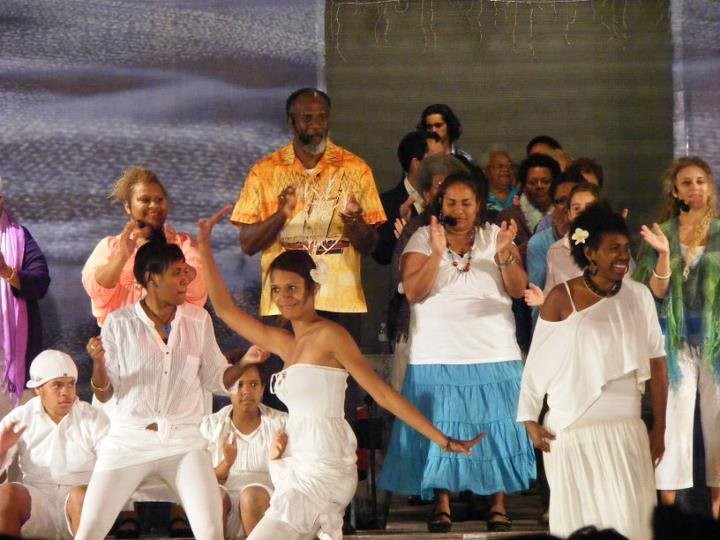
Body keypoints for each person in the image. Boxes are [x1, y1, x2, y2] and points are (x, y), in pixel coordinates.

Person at [196, 206, 482, 540]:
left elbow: (382, 394)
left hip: (325, 462)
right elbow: (227, 311)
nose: (283, 297)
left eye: (292, 288)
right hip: (296, 461)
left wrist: (442, 440)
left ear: (313, 289)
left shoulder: (331, 335)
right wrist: (205, 246)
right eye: (276, 289)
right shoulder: (286, 343)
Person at [379, 173, 536, 533]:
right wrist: (437, 252)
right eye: (451, 203)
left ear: (479, 205)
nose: (459, 210)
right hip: (437, 354)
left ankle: (497, 504)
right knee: (441, 426)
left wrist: (505, 255)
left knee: (496, 427)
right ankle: (443, 503)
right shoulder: (422, 237)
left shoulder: (494, 237)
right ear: (440, 205)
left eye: (466, 203)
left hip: (494, 352)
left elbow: (516, 290)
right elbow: (414, 292)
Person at [74, 238, 250, 540]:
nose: (186, 279)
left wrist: (247, 362)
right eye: (177, 273)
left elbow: (215, 378)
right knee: (89, 530)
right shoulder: (119, 323)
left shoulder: (198, 320)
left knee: (210, 531)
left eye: (186, 271)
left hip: (183, 443)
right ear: (151, 278)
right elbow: (104, 394)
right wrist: (98, 363)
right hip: (128, 441)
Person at [518, 203, 668, 540]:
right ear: (590, 252)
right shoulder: (561, 296)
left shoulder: (639, 296)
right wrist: (529, 417)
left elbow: (658, 364)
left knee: (633, 523)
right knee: (578, 525)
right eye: (614, 249)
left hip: (626, 428)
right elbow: (538, 363)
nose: (623, 257)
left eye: (627, 249)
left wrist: (660, 427)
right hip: (572, 429)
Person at [231, 87, 386, 322]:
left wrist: (353, 220)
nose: (316, 124)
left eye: (322, 117)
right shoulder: (264, 172)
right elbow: (248, 244)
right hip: (284, 302)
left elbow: (369, 245)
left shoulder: (356, 169)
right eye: (307, 118)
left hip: (340, 301)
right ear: (291, 122)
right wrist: (281, 214)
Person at [634, 156, 720, 518]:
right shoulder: (661, 233)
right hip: (674, 343)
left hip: (716, 346)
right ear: (675, 190)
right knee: (672, 425)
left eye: (700, 181)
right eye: (686, 182)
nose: (694, 188)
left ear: (710, 187)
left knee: (718, 421)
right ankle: (667, 515)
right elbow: (650, 292)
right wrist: (665, 255)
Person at [0, 350, 109, 538]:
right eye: (57, 385)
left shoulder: (93, 418)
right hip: (36, 505)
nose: (66, 392)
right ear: (38, 389)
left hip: (79, 504)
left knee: (83, 496)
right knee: (6, 494)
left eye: (71, 384)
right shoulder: (21, 417)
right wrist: (1, 450)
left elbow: (113, 464)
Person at [82, 166, 206, 327]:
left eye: (159, 200)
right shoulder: (109, 246)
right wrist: (122, 258)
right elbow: (97, 291)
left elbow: (198, 291)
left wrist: (171, 254)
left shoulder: (184, 244)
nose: (154, 205)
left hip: (173, 344)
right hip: (122, 343)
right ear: (128, 206)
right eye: (145, 200)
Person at [200, 352, 287, 538]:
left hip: (268, 509)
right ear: (227, 390)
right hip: (224, 510)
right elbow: (198, 482)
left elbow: (296, 479)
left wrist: (277, 460)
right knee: (214, 496)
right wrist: (226, 464)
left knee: (251, 495)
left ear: (262, 388)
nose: (246, 391)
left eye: (253, 384)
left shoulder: (281, 424)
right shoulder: (210, 426)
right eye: (238, 385)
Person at [0, 177, 51, 415]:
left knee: (13, 428)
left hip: (9, 355)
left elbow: (40, 282)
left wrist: (8, 272)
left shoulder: (18, 237)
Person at [372, 130, 443, 265]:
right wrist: (404, 231)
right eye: (436, 159)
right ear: (417, 163)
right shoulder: (386, 203)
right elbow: (382, 256)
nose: (443, 165)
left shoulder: (450, 199)